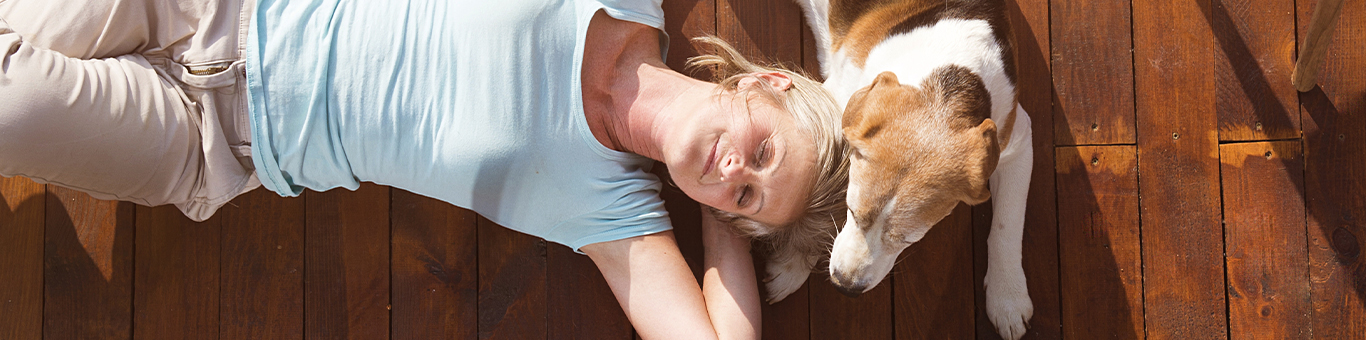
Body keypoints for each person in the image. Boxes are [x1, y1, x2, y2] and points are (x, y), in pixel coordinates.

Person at [0, 0, 848, 338]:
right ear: (761, 83)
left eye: (746, 197)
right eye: (763, 150)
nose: (736, 169)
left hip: (208, 140)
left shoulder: (613, 213)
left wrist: (715, 212)